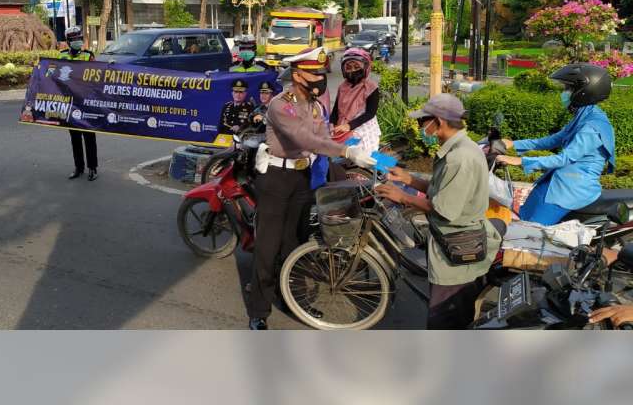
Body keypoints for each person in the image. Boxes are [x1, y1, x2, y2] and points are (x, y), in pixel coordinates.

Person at [247, 47, 375, 330]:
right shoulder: (282, 104)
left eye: (321, 73)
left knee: (296, 244)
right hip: (276, 178)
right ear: (297, 74)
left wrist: (369, 156)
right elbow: (304, 139)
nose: (319, 78)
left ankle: (294, 300)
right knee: (267, 247)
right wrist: (346, 152)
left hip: (302, 180)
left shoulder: (317, 106)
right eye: (313, 73)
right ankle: (259, 310)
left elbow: (323, 138)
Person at [375, 93, 501, 329]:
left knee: (444, 320)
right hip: (456, 240)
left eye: (424, 121)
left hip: (457, 248)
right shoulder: (460, 148)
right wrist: (409, 180)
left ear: (439, 121)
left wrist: (401, 196)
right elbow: (442, 190)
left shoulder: (459, 158)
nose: (422, 127)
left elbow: (443, 209)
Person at [496, 64, 615, 225]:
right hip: (559, 179)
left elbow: (564, 159)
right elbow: (553, 140)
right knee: (523, 215)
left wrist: (521, 161)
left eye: (568, 89)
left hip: (572, 187)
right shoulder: (585, 115)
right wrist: (512, 144)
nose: (564, 93)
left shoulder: (591, 128)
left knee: (531, 230)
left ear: (584, 92)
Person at [60, 26, 98, 182]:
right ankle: (79, 167)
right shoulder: (61, 56)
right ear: (69, 42)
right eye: (74, 39)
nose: (78, 41)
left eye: (79, 39)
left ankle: (93, 168)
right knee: (74, 137)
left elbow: (97, 75)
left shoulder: (88, 55)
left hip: (85, 101)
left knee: (89, 136)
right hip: (70, 102)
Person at [330, 47, 381, 154]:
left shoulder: (371, 87)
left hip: (363, 126)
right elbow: (335, 110)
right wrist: (331, 123)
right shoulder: (342, 87)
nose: (353, 70)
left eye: (356, 67)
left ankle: (385, 167)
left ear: (366, 67)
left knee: (363, 156)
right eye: (348, 67)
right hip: (342, 126)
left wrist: (349, 126)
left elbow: (370, 113)